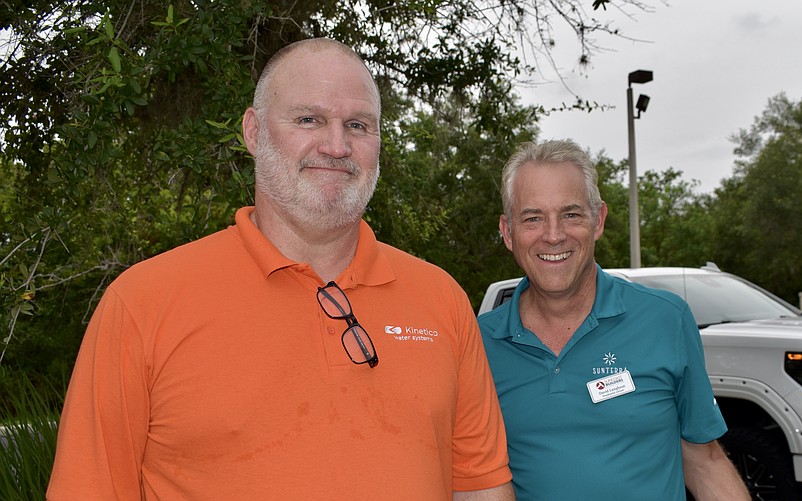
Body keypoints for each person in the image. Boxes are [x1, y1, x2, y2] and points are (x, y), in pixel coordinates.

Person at [47, 38, 514, 500]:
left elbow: (481, 487)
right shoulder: (143, 303)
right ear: (253, 132)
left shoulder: (441, 300)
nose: (337, 146)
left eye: (357, 125)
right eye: (309, 119)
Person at [477, 139, 749, 500]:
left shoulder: (666, 320)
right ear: (508, 232)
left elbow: (704, 460)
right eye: (533, 218)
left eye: (571, 214)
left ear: (599, 220)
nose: (554, 235)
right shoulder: (478, 345)